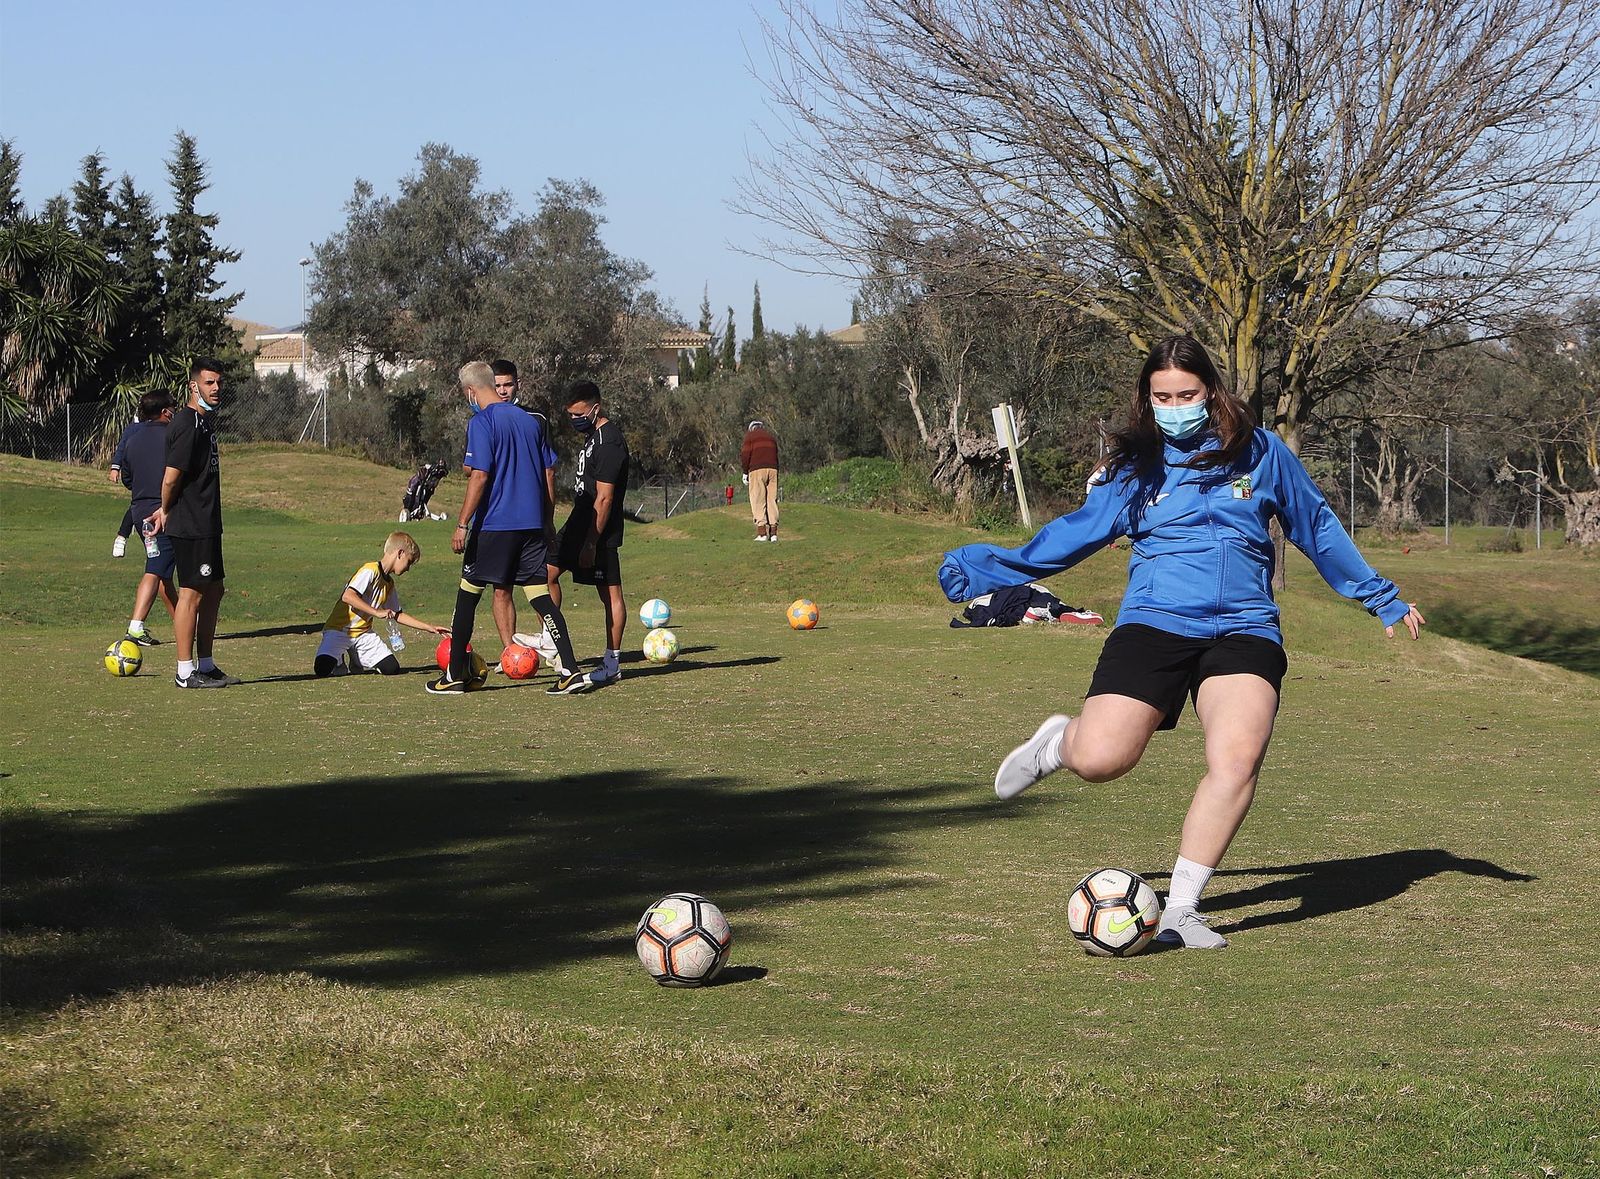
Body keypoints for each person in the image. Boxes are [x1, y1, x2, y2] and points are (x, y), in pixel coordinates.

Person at [938, 336, 1425, 950]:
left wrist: (1378, 596)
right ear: (1148, 399)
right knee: (1101, 761)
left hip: (1245, 627)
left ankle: (1184, 911)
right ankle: (1064, 741)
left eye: (1186, 395)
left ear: (1211, 391)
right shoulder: (1134, 469)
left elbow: (1316, 525)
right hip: (1154, 622)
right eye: (1161, 396)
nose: (1174, 406)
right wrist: (988, 570)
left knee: (1236, 760)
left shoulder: (1261, 452)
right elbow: (1073, 536)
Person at [432, 361, 587, 695]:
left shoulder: (482, 421)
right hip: (531, 525)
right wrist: (546, 522)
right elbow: (548, 472)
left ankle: (454, 676)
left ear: (471, 391)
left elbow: (480, 475)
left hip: (495, 525)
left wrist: (462, 523)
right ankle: (571, 671)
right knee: (541, 598)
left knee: (467, 596)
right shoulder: (529, 422)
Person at [150, 357, 241, 689]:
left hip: (207, 523)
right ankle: (185, 672)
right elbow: (170, 478)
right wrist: (164, 509)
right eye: (209, 382)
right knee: (191, 593)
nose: (216, 388)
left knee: (214, 589)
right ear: (194, 385)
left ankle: (206, 664)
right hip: (190, 525)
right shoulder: (188, 424)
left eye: (218, 382)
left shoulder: (204, 422)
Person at [544, 380, 630, 688]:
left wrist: (592, 542)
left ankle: (612, 662)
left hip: (598, 531)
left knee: (610, 594)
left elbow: (605, 498)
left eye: (579, 414)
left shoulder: (609, 441)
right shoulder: (593, 437)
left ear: (596, 408)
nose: (574, 420)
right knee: (545, 575)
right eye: (570, 415)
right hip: (578, 521)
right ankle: (549, 641)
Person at [487, 358, 559, 666]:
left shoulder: (536, 419)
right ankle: (510, 654)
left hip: (531, 519)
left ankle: (550, 641)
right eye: (498, 385)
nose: (503, 391)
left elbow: (549, 471)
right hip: (498, 520)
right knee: (501, 588)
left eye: (508, 384)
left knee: (544, 581)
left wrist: (548, 517)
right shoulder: (484, 421)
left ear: (519, 384)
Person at [314, 531, 450, 676]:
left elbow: (397, 614)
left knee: (391, 668)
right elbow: (348, 596)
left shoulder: (389, 584)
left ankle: (357, 658)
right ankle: (338, 659)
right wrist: (376, 612)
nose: (408, 568)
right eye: (409, 562)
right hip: (338, 630)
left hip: (362, 634)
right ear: (400, 553)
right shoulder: (370, 570)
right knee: (322, 669)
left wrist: (429, 627)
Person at [118, 390, 180, 646]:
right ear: (165, 411)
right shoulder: (173, 436)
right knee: (155, 568)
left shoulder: (133, 438)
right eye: (172, 408)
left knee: (162, 569)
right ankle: (135, 626)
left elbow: (126, 478)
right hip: (162, 512)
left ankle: (184, 623)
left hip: (139, 510)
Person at [741, 419, 781, 541]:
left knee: (758, 499)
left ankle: (762, 533)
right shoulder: (771, 437)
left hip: (757, 470)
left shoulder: (750, 436)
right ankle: (773, 534)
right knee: (771, 500)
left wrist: (745, 472)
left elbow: (745, 455)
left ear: (752, 428)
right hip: (773, 470)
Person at [107, 420, 141, 558]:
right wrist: (115, 468)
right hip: (140, 473)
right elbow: (122, 447)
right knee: (138, 504)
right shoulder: (134, 428)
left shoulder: (166, 426)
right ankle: (122, 536)